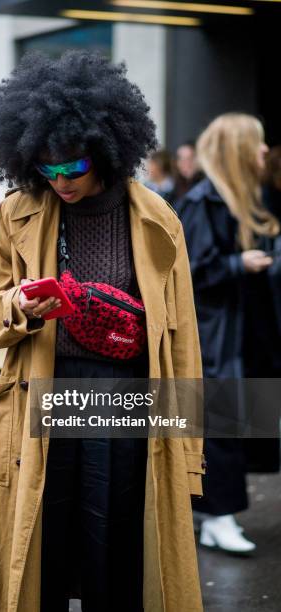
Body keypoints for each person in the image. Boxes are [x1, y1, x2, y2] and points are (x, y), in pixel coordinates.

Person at [0, 50, 205, 612]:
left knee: (118, 561)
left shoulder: (159, 222)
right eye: (47, 170)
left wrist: (191, 457)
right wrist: (20, 305)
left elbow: (185, 340)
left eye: (72, 167)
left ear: (104, 150)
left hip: (124, 401)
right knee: (39, 555)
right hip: (41, 396)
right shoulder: (17, 212)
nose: (61, 181)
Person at [177, 113, 281, 554]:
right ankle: (218, 517)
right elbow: (192, 271)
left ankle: (218, 517)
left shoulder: (239, 198)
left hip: (237, 332)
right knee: (220, 424)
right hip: (214, 333)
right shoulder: (205, 201)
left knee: (232, 423)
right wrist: (243, 263)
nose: (264, 152)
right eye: (256, 144)